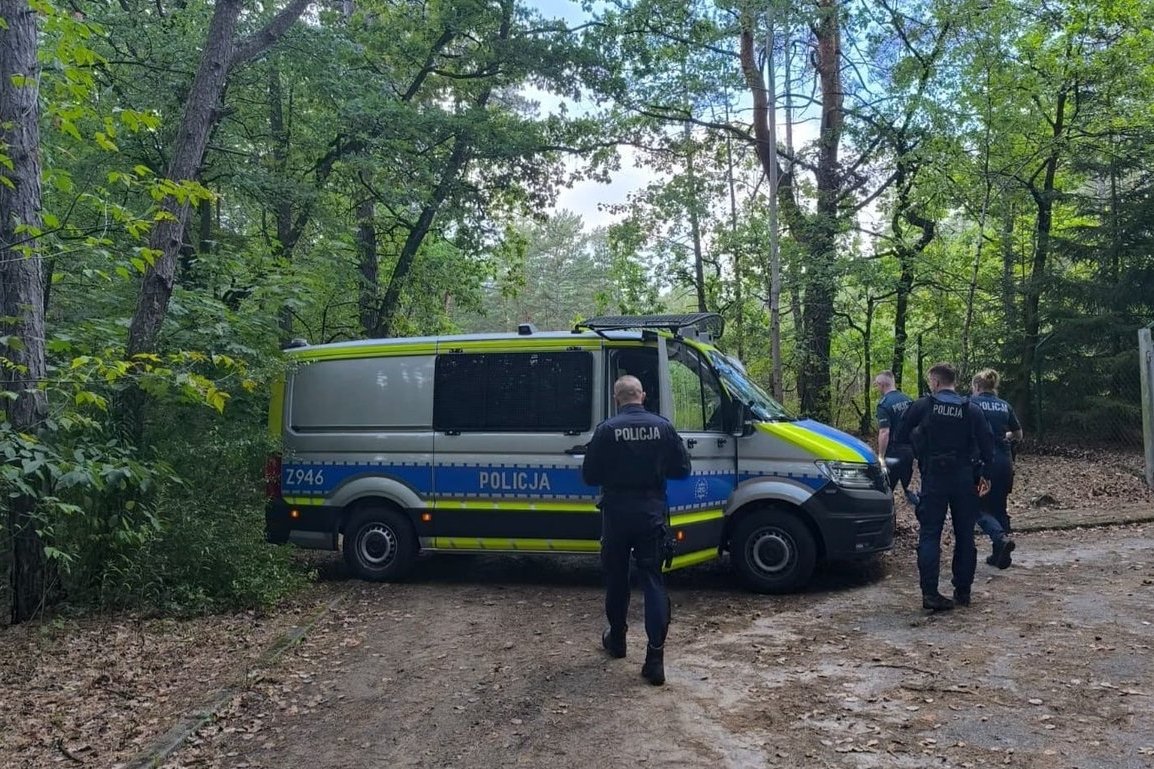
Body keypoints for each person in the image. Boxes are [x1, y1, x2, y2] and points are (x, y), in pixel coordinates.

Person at [581, 375, 692, 685]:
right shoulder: (663, 427)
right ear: (642, 395)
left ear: (618, 399)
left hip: (616, 514)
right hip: (651, 514)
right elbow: (683, 469)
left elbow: (589, 476)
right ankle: (655, 660)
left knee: (616, 579)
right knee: (653, 581)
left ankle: (617, 641)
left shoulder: (606, 431)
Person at [894, 362, 995, 611]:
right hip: (964, 477)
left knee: (930, 534)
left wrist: (920, 450)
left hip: (934, 477)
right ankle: (963, 591)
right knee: (964, 535)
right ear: (954, 382)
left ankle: (930, 593)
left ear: (936, 382)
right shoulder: (970, 409)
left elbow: (900, 436)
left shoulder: (923, 406)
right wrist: (984, 475)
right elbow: (988, 446)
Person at [971, 368, 1023, 569]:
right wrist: (1006, 436)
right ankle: (1000, 555)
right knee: (1000, 507)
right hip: (1004, 462)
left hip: (982, 463)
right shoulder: (1005, 406)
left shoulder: (972, 404)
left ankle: (1000, 539)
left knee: (977, 506)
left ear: (976, 387)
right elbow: (1018, 434)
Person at [874, 370, 920, 507]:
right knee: (909, 489)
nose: (877, 388)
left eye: (877, 385)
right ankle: (923, 518)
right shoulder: (908, 400)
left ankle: (885, 519)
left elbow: (884, 432)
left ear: (882, 384)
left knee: (885, 489)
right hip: (910, 451)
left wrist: (881, 456)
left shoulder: (884, 404)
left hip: (893, 453)